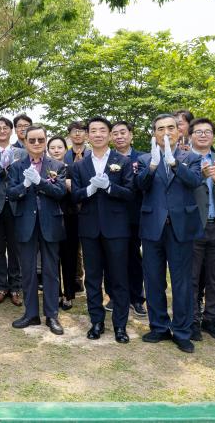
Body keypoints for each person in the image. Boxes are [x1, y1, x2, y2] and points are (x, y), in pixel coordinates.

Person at [135, 113, 203, 353]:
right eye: (160, 128)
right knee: (153, 280)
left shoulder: (192, 157)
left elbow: (194, 181)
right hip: (152, 226)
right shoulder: (144, 159)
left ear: (179, 131)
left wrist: (174, 163)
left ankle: (182, 331)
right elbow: (140, 185)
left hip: (180, 226)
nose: (166, 132)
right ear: (154, 133)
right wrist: (153, 166)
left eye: (170, 128)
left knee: (182, 282)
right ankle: (159, 326)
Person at [71, 116, 136, 343]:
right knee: (92, 278)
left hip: (116, 229)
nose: (97, 134)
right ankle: (96, 322)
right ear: (87, 135)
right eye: (93, 130)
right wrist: (89, 190)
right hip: (89, 229)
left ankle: (120, 325)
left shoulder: (123, 161)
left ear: (109, 135)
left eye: (102, 130)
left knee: (119, 278)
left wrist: (109, 187)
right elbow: (75, 195)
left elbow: (130, 193)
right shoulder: (79, 165)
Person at [7, 125, 68, 335]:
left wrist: (40, 182)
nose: (36, 143)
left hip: (50, 223)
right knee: (28, 271)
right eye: (31, 140)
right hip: (26, 224)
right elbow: (11, 194)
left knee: (51, 271)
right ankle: (31, 313)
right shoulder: (16, 167)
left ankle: (52, 315)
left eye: (40, 140)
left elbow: (60, 192)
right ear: (25, 142)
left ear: (45, 141)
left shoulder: (57, 165)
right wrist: (25, 185)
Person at [187, 118, 215, 342]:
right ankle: (192, 320)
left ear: (213, 136)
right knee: (191, 277)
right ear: (191, 136)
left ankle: (211, 318)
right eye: (198, 131)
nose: (203, 135)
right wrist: (199, 177)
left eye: (207, 131)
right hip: (192, 227)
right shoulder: (183, 159)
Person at [110, 120, 146, 318]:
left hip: (135, 215)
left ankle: (137, 297)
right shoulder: (107, 158)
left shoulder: (143, 158)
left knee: (134, 257)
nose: (119, 136)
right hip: (112, 215)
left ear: (131, 135)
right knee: (113, 257)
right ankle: (114, 295)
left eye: (123, 132)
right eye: (115, 133)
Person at [0, 116, 25, 306]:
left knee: (15, 249)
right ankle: (2, 286)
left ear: (11, 131)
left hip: (16, 206)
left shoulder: (22, 153)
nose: (2, 131)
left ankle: (16, 287)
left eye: (5, 128)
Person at [48, 135, 77, 310]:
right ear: (48, 150)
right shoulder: (44, 169)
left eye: (59, 147)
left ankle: (69, 294)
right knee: (52, 257)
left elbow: (78, 192)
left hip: (70, 217)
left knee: (69, 257)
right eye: (52, 147)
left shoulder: (72, 169)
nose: (56, 150)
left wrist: (68, 184)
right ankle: (56, 292)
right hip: (50, 217)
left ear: (65, 150)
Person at [63, 121, 88, 296]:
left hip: (88, 205)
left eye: (81, 131)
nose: (77, 134)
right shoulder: (64, 155)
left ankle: (86, 280)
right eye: (74, 131)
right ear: (69, 135)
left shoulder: (93, 153)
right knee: (72, 247)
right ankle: (75, 280)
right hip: (70, 208)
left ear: (86, 134)